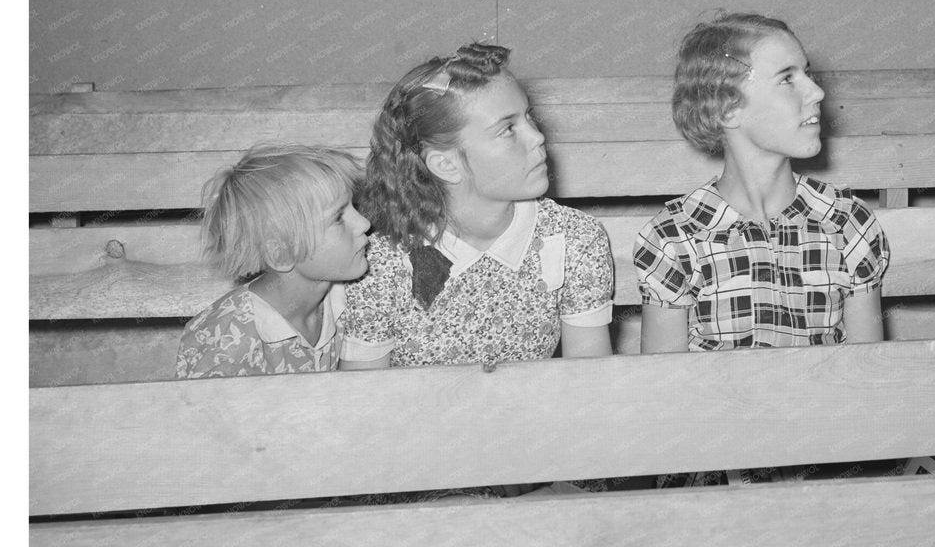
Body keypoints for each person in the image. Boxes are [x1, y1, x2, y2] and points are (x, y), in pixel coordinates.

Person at [340, 41, 613, 369]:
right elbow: (362, 401)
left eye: (529, 117)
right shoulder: (382, 264)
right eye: (508, 129)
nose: (537, 137)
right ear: (446, 165)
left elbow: (590, 383)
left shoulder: (573, 238)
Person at [635, 12, 889, 352]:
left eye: (807, 73)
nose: (816, 91)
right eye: (787, 79)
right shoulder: (675, 239)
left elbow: (869, 373)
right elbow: (662, 390)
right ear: (727, 109)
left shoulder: (846, 222)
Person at [176, 145, 369, 378]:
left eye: (354, 207)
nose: (364, 224)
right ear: (281, 253)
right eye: (338, 217)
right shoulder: (227, 343)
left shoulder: (350, 295)